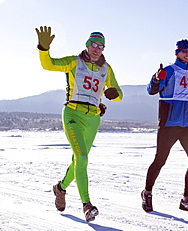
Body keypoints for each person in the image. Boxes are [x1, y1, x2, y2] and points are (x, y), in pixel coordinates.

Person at [35, 26, 123, 222]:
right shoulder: (74, 62)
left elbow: (119, 94)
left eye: (101, 46)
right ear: (87, 45)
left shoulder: (106, 69)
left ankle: (60, 188)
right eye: (94, 45)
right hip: (73, 114)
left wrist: (113, 94)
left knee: (77, 161)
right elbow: (49, 65)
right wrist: (43, 49)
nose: (97, 49)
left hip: (93, 119)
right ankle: (87, 205)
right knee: (82, 158)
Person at [141, 39, 188, 215]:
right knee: (160, 160)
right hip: (169, 123)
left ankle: (186, 200)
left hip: (186, 124)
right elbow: (151, 91)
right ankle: (147, 192)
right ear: (177, 53)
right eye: (184, 51)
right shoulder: (168, 70)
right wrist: (155, 78)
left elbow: (186, 96)